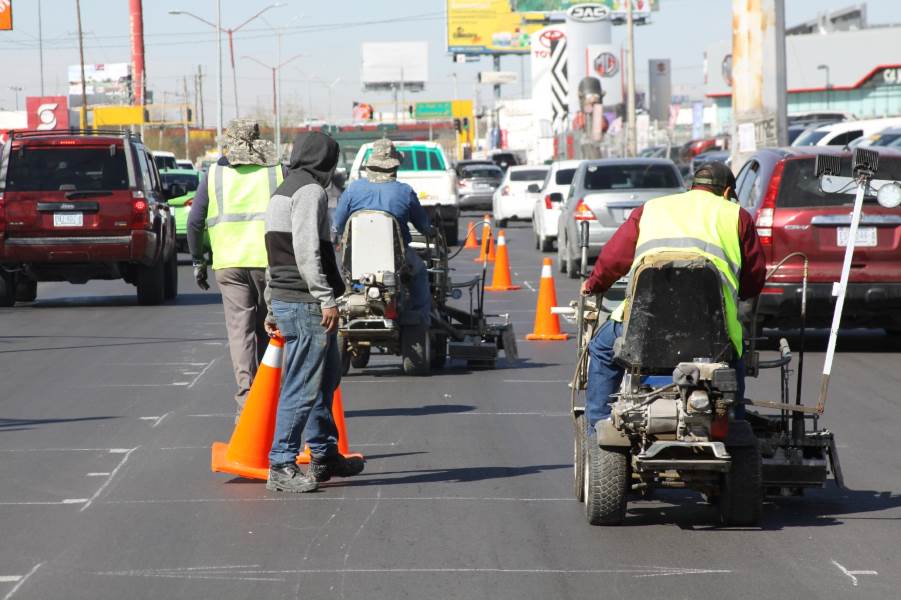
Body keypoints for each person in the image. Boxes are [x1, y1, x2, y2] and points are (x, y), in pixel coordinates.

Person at [580, 161, 766, 431]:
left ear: (691, 187)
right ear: (726, 192)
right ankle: (731, 422)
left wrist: (594, 284)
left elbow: (612, 260)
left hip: (642, 327)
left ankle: (596, 428)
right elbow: (753, 282)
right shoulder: (737, 216)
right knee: (733, 359)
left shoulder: (651, 209)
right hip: (714, 332)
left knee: (601, 348)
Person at [264, 131, 364, 493]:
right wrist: (326, 298)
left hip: (289, 296)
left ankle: (324, 455)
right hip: (306, 302)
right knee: (303, 385)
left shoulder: (283, 189)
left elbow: (272, 252)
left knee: (325, 380)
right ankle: (281, 465)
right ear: (327, 162)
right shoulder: (309, 192)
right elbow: (306, 250)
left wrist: (271, 299)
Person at [187, 119, 283, 418]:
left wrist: (198, 261)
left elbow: (194, 222)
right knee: (271, 329)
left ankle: (247, 403)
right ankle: (272, 401)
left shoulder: (214, 173)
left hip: (229, 263)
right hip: (268, 262)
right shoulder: (277, 171)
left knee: (241, 333)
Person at [333, 138, 432, 325]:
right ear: (394, 167)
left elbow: (337, 225)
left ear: (370, 166)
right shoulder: (404, 191)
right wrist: (432, 231)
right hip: (397, 260)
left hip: (355, 262)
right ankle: (420, 317)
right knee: (420, 272)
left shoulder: (353, 189)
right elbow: (424, 227)